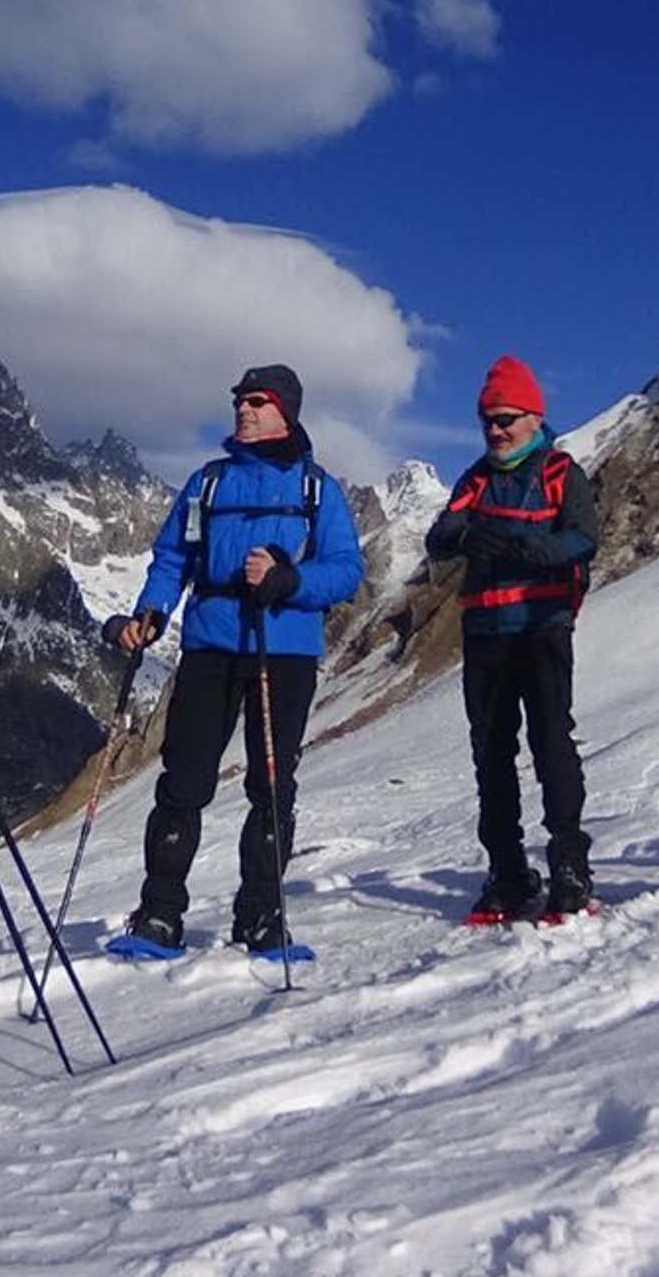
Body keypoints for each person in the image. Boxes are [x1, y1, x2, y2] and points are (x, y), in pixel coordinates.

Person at [108, 364, 366, 955]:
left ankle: (261, 917)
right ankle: (159, 915)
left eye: (257, 401)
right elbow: (173, 559)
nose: (243, 410)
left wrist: (288, 579)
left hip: (285, 650)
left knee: (272, 787)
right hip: (210, 644)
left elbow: (347, 569)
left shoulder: (316, 489)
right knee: (183, 783)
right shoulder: (208, 485)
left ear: (286, 412)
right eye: (239, 401)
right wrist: (151, 613)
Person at [426, 355, 602, 922]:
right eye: (488, 422)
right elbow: (441, 535)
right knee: (492, 757)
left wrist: (510, 543)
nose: (496, 431)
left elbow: (580, 541)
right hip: (484, 635)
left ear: (533, 417)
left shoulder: (560, 472)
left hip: (541, 628)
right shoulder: (475, 478)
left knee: (552, 744)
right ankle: (506, 873)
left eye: (505, 419)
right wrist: (477, 533)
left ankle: (569, 867)